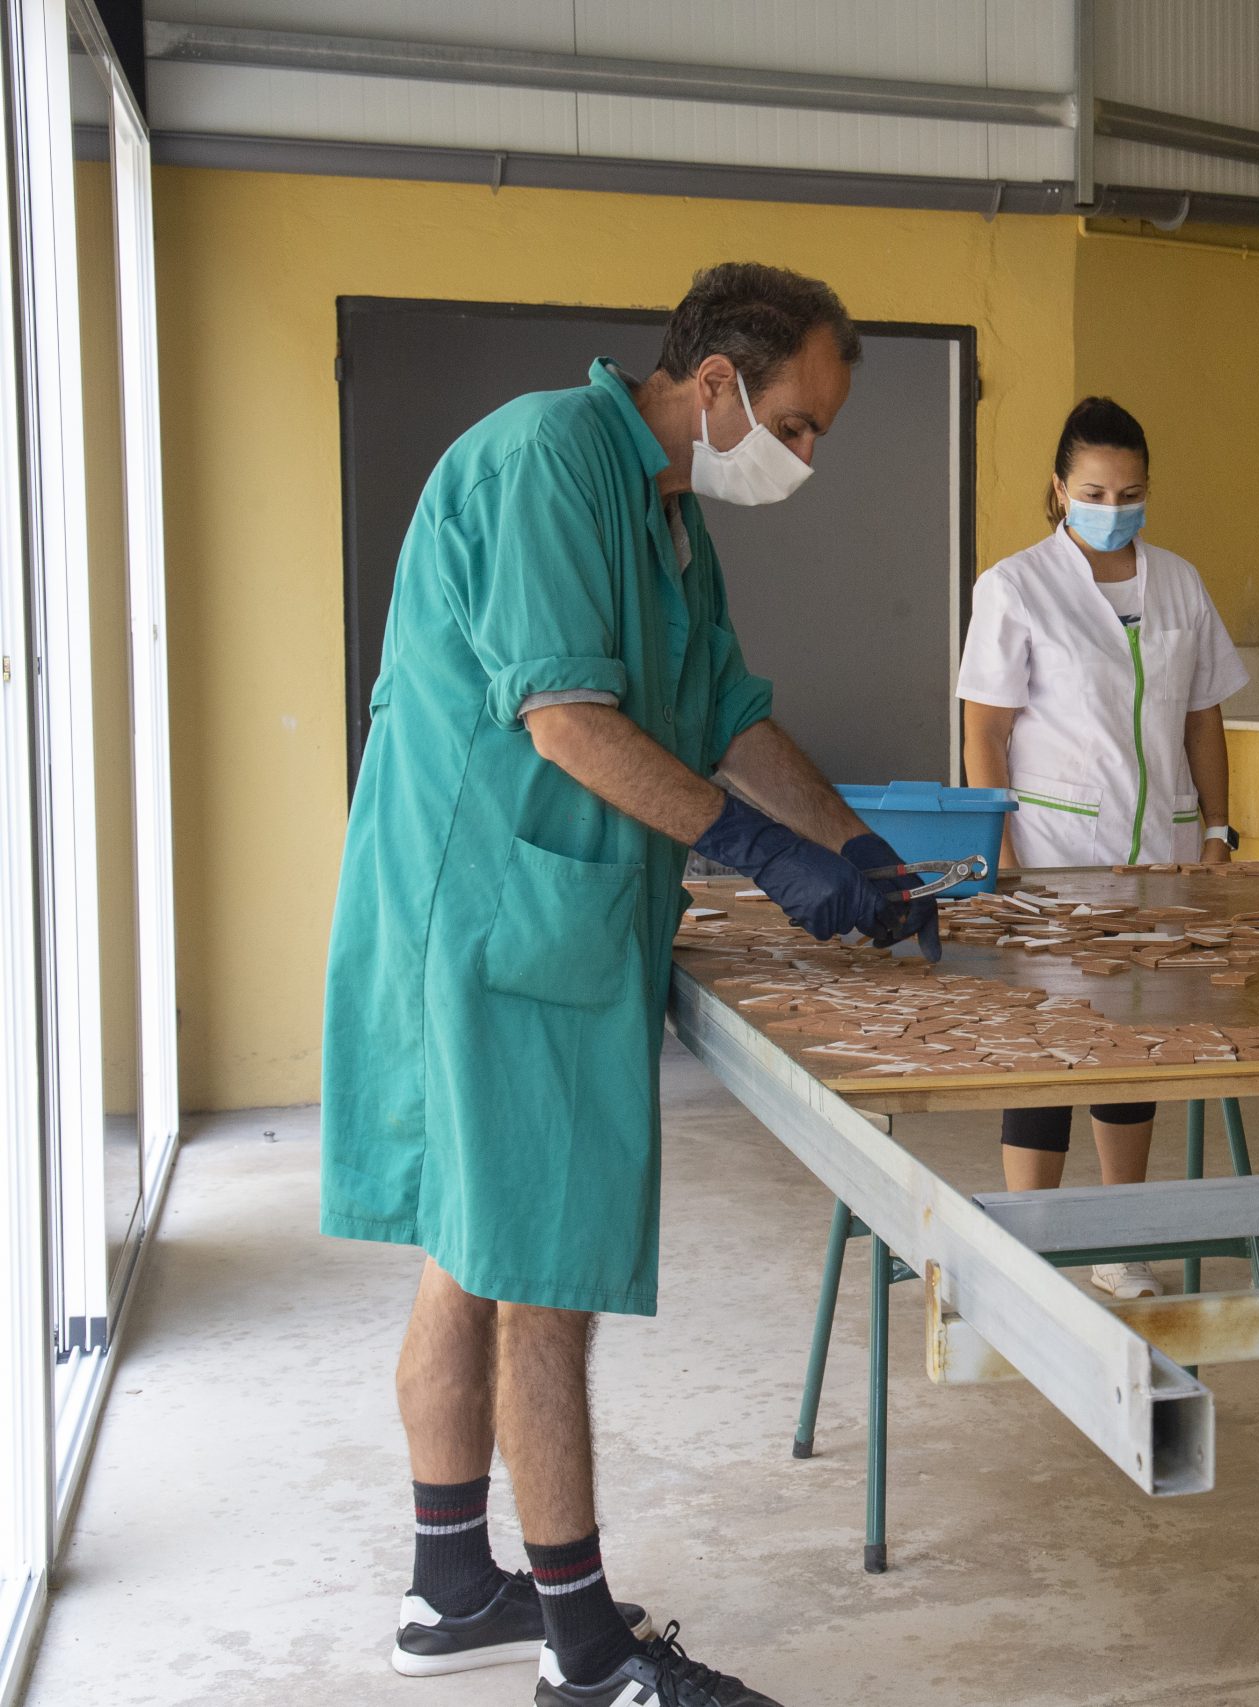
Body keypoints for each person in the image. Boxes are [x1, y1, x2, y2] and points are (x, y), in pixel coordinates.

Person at [323, 262, 933, 1707]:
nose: (804, 455)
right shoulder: (550, 461)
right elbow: (567, 722)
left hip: (530, 912)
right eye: (799, 421)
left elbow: (727, 710)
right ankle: (587, 1653)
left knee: (471, 1255)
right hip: (492, 913)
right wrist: (755, 855)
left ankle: (450, 1582)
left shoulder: (666, 518)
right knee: (540, 1278)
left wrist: (858, 848)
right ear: (714, 381)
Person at [957, 396, 1248, 1299]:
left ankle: (1125, 1246)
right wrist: (995, 850)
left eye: (1130, 490)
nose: (1112, 504)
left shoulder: (1181, 584)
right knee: (1048, 1049)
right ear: (1059, 488)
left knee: (1136, 1046)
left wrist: (1219, 831)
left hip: (1161, 851)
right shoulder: (1015, 585)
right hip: (1051, 849)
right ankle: (1031, 1253)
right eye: (1093, 488)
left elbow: (1205, 721)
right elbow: (985, 731)